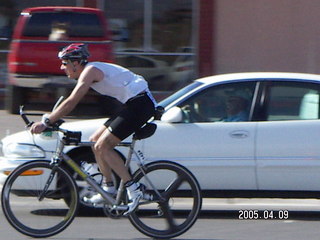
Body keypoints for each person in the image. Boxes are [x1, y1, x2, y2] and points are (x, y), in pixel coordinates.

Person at [30, 43, 157, 214]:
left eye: (65, 63)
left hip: (140, 104)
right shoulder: (89, 71)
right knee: (94, 141)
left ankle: (134, 188)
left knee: (103, 146)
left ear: (75, 63)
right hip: (132, 104)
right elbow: (69, 102)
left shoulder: (89, 71)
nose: (62, 67)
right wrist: (51, 118)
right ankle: (108, 186)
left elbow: (73, 100)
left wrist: (47, 122)